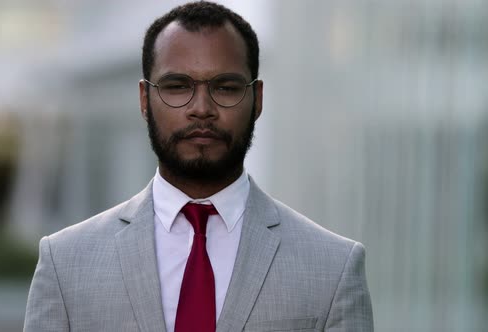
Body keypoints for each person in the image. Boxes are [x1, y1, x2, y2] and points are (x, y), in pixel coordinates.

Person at [23, 1, 374, 331]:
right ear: (145, 100)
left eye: (225, 87)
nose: (202, 108)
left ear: (258, 99)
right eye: (178, 87)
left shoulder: (333, 268)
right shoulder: (65, 264)